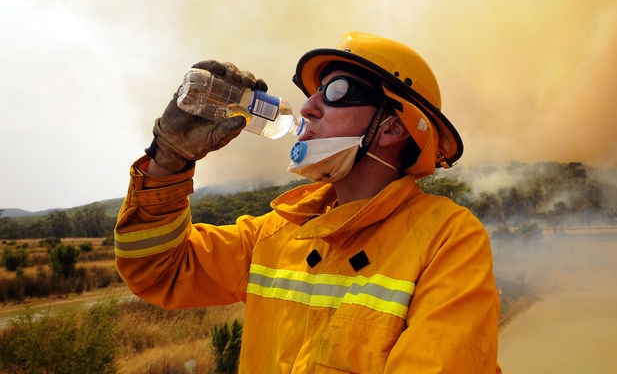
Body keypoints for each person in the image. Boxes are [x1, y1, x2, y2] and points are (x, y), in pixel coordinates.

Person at [114, 32, 501, 373]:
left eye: (336, 92)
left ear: (393, 127)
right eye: (314, 92)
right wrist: (168, 160)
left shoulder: (447, 240)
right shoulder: (278, 232)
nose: (307, 108)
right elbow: (157, 270)